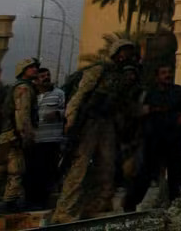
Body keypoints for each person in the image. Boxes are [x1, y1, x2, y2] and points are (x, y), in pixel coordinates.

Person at [53, 36, 140, 223]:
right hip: (89, 122)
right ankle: (65, 210)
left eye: (129, 52)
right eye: (124, 51)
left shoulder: (122, 77)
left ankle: (96, 206)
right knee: (80, 165)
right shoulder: (99, 70)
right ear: (116, 53)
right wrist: (70, 120)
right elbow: (80, 95)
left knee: (107, 165)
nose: (127, 55)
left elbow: (123, 104)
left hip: (106, 123)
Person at [122, 62, 181, 212]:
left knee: (176, 174)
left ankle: (175, 209)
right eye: (164, 72)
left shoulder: (179, 91)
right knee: (145, 173)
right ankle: (129, 205)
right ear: (157, 76)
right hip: (154, 139)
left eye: (169, 72)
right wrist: (144, 111)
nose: (168, 75)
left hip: (175, 139)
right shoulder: (148, 93)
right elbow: (132, 110)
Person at [0, 57, 38, 218]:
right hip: (15, 136)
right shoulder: (24, 88)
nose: (34, 70)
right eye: (31, 67)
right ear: (23, 70)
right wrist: (25, 136)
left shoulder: (11, 87)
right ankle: (10, 201)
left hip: (4, 135)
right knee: (16, 170)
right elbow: (22, 113)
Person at [27, 67, 64, 210]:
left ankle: (44, 202)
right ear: (36, 80)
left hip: (52, 140)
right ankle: (31, 202)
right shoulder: (31, 95)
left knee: (48, 172)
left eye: (48, 75)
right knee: (33, 172)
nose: (46, 78)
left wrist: (58, 113)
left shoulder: (59, 93)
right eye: (42, 76)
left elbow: (68, 110)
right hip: (35, 140)